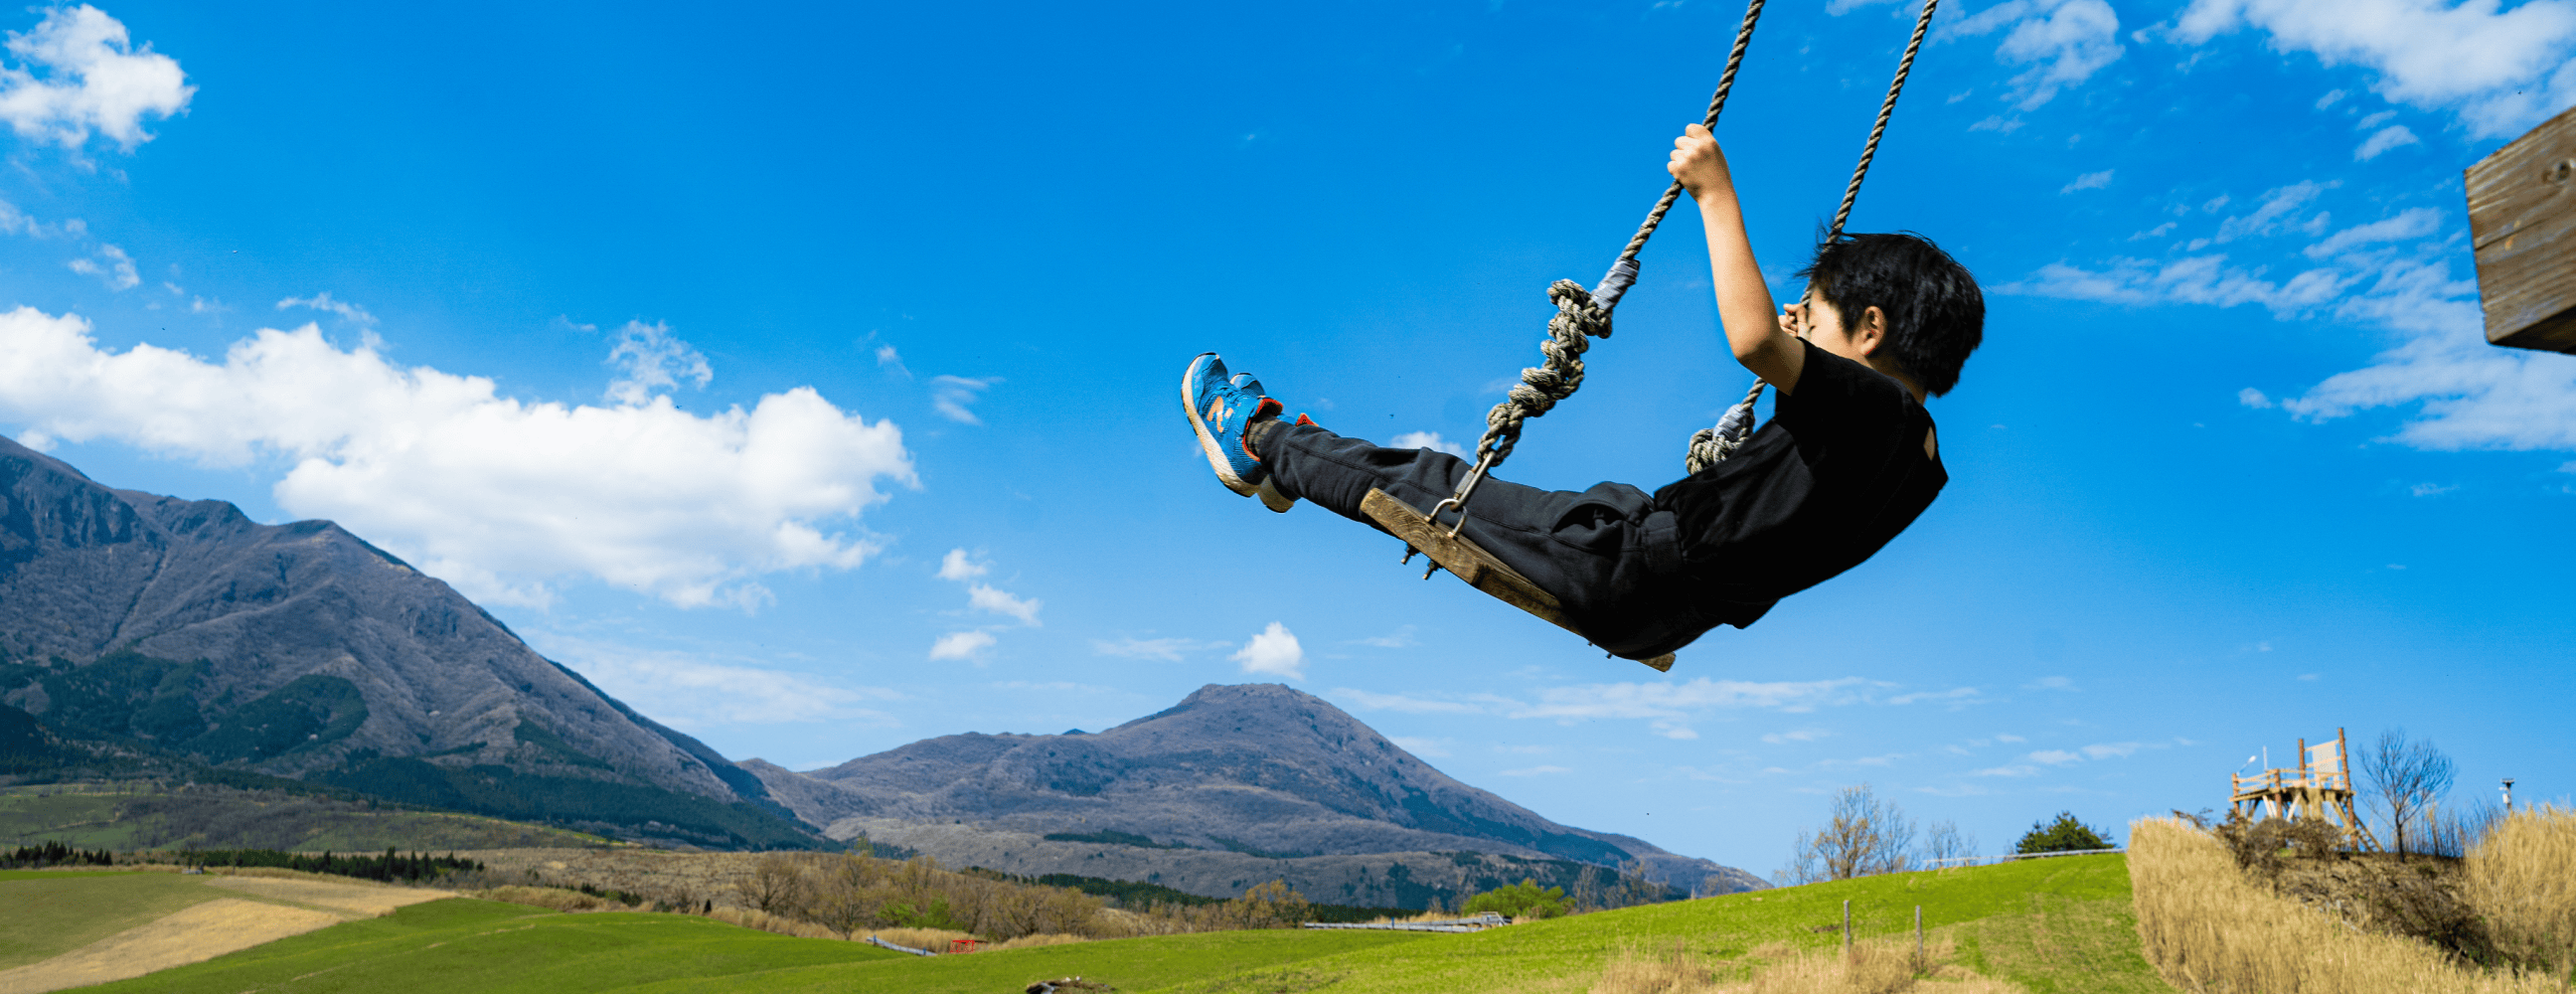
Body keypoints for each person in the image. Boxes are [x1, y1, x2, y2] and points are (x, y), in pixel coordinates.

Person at [1182, 123, 1984, 662]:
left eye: (1815, 314)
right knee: (1515, 497)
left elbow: (1752, 340)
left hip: (1631, 564)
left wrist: (1713, 189)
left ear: (1871, 329)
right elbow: (1789, 501)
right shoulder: (1919, 463)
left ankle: (1260, 442)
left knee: (1423, 486)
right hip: (1670, 600)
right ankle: (1295, 460)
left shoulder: (1875, 410)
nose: (1795, 320)